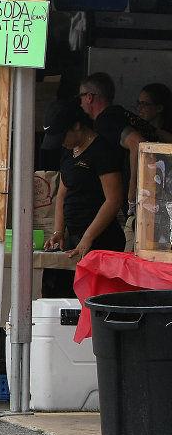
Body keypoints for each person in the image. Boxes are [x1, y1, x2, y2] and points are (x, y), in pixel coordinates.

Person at [42, 100, 126, 296]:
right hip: (74, 236)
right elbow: (63, 193)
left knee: (95, 295)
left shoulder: (102, 151)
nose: (62, 142)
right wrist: (58, 230)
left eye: (63, 136)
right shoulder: (68, 152)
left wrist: (88, 237)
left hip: (101, 238)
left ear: (77, 126)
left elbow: (113, 200)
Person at [78, 72, 164, 212]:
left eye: (80, 97)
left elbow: (138, 143)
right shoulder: (122, 114)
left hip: (139, 198)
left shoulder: (107, 120)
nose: (80, 103)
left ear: (89, 97)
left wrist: (132, 193)